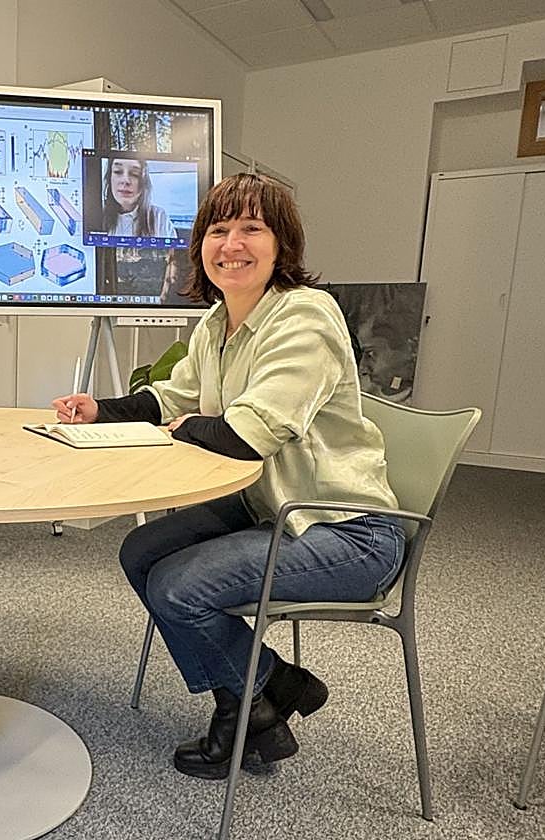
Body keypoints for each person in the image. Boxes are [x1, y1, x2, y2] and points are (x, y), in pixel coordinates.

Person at [51, 173, 405, 780]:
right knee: (140, 551)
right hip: (270, 507)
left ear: (281, 243)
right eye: (218, 229)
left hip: (345, 528)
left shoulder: (306, 316)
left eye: (252, 228)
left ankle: (243, 709)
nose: (232, 244)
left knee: (178, 587)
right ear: (201, 245)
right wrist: (100, 410)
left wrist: (188, 424)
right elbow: (173, 397)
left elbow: (247, 434)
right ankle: (269, 689)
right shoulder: (218, 322)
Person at [101, 156, 177, 239]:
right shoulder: (98, 215)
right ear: (109, 177)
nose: (126, 180)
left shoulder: (158, 216)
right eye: (118, 171)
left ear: (144, 181)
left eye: (134, 174)